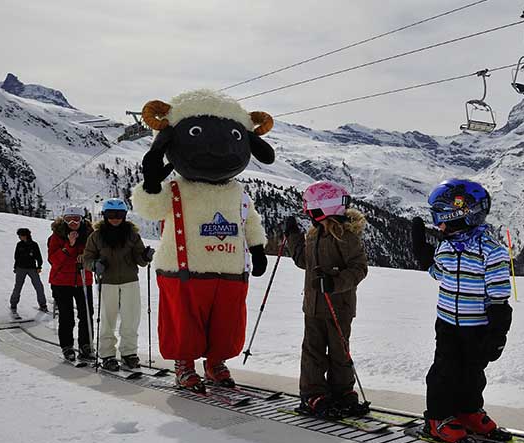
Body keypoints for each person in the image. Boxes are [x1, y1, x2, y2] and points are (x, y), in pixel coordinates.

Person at [131, 89, 273, 391]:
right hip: (183, 268)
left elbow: (249, 219)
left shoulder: (236, 191)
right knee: (184, 322)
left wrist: (258, 248)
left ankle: (215, 363)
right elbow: (149, 207)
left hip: (231, 269)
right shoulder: (177, 188)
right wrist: (153, 183)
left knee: (226, 323)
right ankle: (184, 364)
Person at [410, 179, 514, 443]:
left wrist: (497, 332)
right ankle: (438, 418)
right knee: (444, 372)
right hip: (446, 324)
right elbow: (440, 274)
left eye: (440, 218)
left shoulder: (491, 252)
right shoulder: (446, 247)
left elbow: (499, 297)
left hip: (476, 326)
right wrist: (424, 256)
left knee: (473, 372)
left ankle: (468, 411)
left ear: (458, 216)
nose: (438, 226)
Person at [285, 181, 369, 418]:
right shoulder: (314, 234)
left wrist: (334, 283)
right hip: (312, 306)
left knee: (339, 352)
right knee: (313, 351)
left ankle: (342, 392)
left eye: (310, 210)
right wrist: (293, 236)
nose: (308, 214)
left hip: (338, 307)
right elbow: (304, 262)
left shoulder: (346, 237)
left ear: (323, 209)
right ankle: (313, 393)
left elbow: (359, 269)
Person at [83, 199, 154, 372]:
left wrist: (145, 256)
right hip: (108, 282)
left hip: (130, 281)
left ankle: (129, 353)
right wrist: (94, 265)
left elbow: (140, 260)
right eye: (111, 215)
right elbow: (87, 259)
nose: (115, 218)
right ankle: (107, 355)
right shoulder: (96, 236)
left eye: (119, 215)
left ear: (124, 216)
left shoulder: (132, 235)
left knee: (131, 318)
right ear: (105, 216)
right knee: (108, 319)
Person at [47, 206, 95, 362]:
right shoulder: (56, 236)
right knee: (67, 316)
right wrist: (69, 245)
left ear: (82, 219)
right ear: (64, 220)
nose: (73, 223)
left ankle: (86, 345)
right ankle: (67, 346)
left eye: (76, 219)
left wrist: (86, 258)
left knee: (86, 314)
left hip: (83, 280)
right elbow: (53, 260)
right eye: (68, 219)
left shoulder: (89, 235)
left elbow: (95, 255)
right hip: (62, 282)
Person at [10, 228, 48, 315]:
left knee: (39, 286)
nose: (19, 237)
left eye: (20, 235)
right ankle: (13, 304)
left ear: (25, 235)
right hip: (20, 268)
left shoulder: (34, 245)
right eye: (19, 236)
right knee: (18, 286)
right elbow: (16, 257)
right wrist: (15, 267)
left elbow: (39, 257)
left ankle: (43, 305)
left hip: (32, 268)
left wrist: (39, 266)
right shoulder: (19, 244)